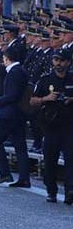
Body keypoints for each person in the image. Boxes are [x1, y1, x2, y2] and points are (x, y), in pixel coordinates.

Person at [29, 48, 73, 204]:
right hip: (51, 126)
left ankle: (70, 191)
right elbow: (32, 101)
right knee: (50, 160)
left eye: (61, 60)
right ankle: (51, 191)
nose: (58, 63)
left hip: (69, 126)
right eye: (56, 60)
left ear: (68, 62)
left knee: (70, 159)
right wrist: (46, 98)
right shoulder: (45, 79)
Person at [0, 42, 31, 188]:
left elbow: (12, 95)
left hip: (9, 113)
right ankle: (24, 177)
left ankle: (4, 173)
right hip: (19, 113)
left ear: (7, 58)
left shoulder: (14, 72)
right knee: (20, 146)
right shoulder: (22, 71)